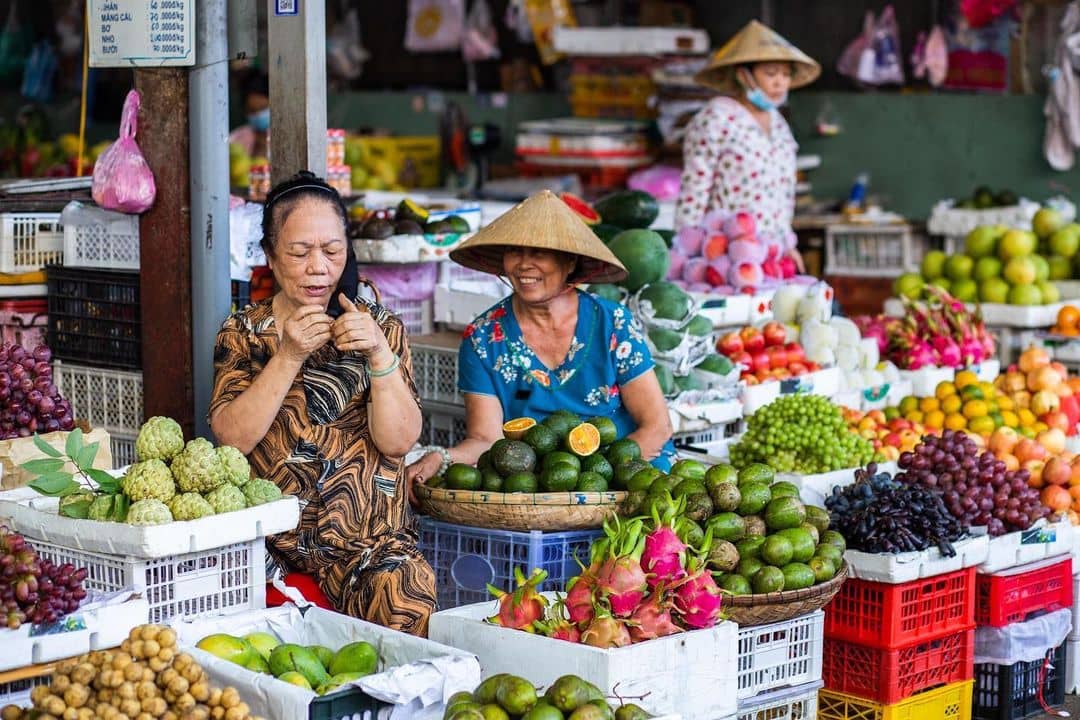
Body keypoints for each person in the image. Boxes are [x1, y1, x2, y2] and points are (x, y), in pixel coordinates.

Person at [209, 171, 436, 636]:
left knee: (406, 590)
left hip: (370, 545)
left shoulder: (382, 328)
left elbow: (398, 442)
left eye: (332, 252)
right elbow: (231, 437)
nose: (318, 267)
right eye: (299, 252)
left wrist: (378, 355)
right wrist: (289, 355)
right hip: (268, 547)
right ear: (271, 256)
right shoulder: (243, 332)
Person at [406, 190, 675, 497]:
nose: (523, 265)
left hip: (628, 476)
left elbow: (657, 427)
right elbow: (485, 439)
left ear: (570, 261)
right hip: (536, 489)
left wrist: (596, 487)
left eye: (538, 252)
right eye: (515, 251)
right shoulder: (482, 339)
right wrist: (440, 458)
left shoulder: (612, 323)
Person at [675, 20, 820, 266]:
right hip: (723, 252)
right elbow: (695, 189)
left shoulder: (779, 125)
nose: (780, 83)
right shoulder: (716, 117)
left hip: (771, 254)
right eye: (771, 74)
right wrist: (686, 252)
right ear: (744, 75)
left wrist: (788, 244)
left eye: (786, 75)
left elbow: (783, 195)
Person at [229, 72, 270, 158]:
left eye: (263, 108)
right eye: (252, 110)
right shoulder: (236, 138)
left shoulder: (284, 136)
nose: (258, 115)